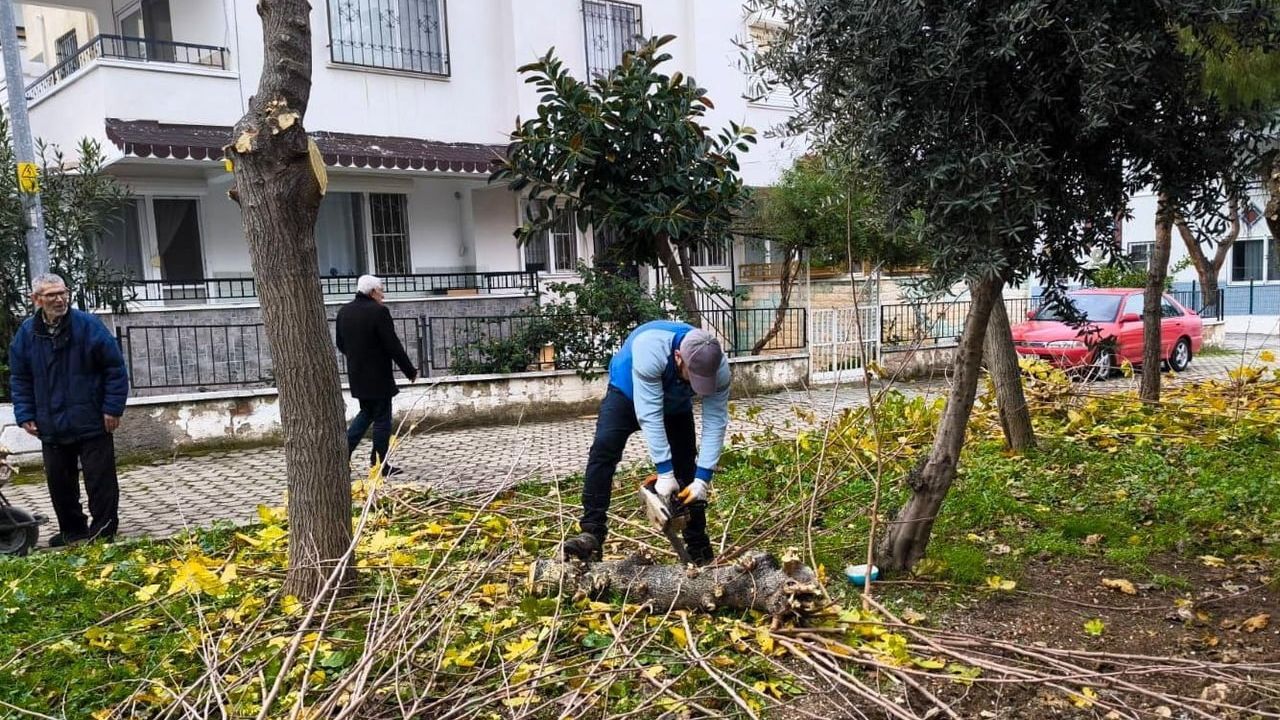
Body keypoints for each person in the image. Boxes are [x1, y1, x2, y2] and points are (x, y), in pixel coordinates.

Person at [561, 320, 731, 565]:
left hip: (675, 406)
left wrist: (702, 479)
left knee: (686, 465)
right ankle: (591, 534)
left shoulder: (719, 369)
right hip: (627, 393)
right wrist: (664, 472)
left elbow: (716, 421)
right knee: (604, 451)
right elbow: (649, 415)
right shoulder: (649, 348)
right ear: (678, 357)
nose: (698, 386)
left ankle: (698, 546)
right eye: (692, 377)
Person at [9, 273, 128, 546]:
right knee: (60, 483)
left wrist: (112, 408)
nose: (60, 299)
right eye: (52, 295)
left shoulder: (88, 326)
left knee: (100, 481)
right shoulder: (28, 333)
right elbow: (20, 377)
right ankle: (72, 531)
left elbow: (115, 369)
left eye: (63, 292)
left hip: (92, 419)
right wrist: (25, 414)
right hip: (51, 423)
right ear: (36, 299)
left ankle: (103, 532)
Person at [336, 274, 418, 476]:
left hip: (357, 374)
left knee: (366, 414)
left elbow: (340, 343)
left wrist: (357, 358)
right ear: (372, 292)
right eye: (381, 290)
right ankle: (380, 465)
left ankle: (341, 456)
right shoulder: (379, 312)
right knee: (382, 419)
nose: (383, 294)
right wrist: (409, 370)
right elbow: (392, 345)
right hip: (378, 376)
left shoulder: (344, 312)